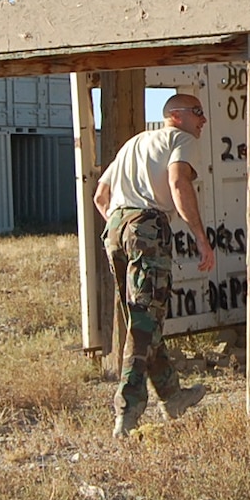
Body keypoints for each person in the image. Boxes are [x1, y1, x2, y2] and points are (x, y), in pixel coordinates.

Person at [93, 92, 216, 437]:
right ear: (175, 116)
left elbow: (100, 196)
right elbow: (178, 183)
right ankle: (127, 408)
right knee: (144, 320)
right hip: (148, 226)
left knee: (143, 317)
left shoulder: (134, 143)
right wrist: (200, 238)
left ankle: (172, 395)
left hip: (116, 227)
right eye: (198, 112)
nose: (203, 120)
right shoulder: (181, 139)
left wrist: (123, 222)